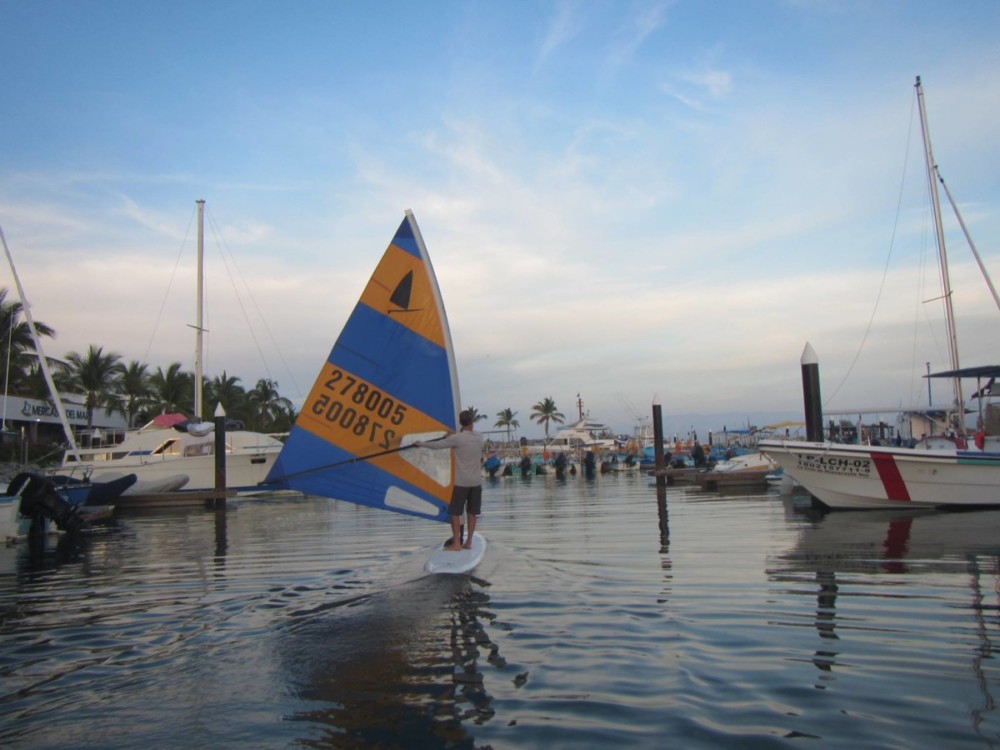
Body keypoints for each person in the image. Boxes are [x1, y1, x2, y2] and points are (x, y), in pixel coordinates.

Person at [415, 410, 483, 551]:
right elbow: (466, 437)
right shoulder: (479, 437)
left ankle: (457, 543)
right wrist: (453, 436)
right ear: (472, 422)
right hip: (476, 483)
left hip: (461, 483)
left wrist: (421, 444)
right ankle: (469, 542)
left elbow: (437, 445)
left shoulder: (456, 439)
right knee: (472, 513)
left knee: (455, 513)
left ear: (460, 423)